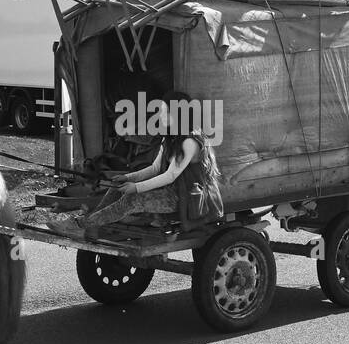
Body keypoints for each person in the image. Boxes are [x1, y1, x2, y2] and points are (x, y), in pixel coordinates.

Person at [50, 91, 223, 239]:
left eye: (165, 112)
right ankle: (88, 224)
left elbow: (170, 175)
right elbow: (155, 169)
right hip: (171, 191)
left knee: (132, 199)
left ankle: (79, 225)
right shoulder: (170, 138)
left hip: (185, 197)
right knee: (117, 187)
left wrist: (136, 187)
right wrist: (127, 178)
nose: (161, 115)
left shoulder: (189, 142)